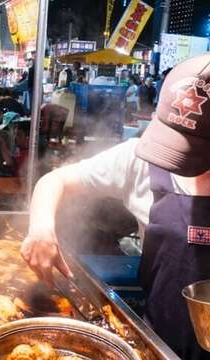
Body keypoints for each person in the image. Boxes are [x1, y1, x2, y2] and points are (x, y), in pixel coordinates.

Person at [20, 55, 210, 359]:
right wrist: (41, 227)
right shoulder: (143, 157)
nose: (177, 160)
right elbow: (55, 181)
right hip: (158, 344)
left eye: (195, 149)